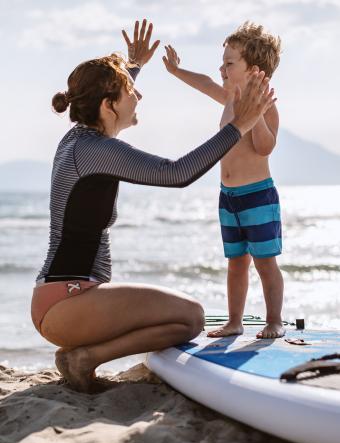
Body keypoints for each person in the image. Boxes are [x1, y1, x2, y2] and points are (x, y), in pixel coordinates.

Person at [30, 19, 276, 392]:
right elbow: (176, 173)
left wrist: (132, 67)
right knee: (192, 318)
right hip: (67, 303)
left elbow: (96, 95)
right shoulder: (96, 150)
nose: (139, 96)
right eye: (131, 91)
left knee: (183, 316)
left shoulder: (77, 139)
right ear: (109, 105)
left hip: (61, 300)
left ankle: (84, 354)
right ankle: (86, 358)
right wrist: (237, 126)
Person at [163, 21, 284, 339]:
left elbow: (265, 147)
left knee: (265, 263)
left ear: (254, 69)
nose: (222, 68)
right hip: (228, 195)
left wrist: (254, 113)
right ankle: (235, 321)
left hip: (257, 195)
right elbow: (204, 82)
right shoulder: (230, 98)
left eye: (229, 63)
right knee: (236, 263)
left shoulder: (267, 107)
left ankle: (274, 321)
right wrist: (177, 71)